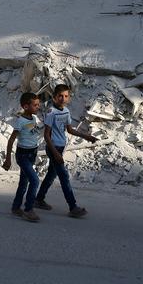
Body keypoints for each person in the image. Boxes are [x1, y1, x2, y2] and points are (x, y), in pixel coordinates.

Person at [35, 84, 96, 217]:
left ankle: (38, 199)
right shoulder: (51, 112)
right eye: (60, 96)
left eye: (66, 96)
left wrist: (87, 136)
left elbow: (70, 130)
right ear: (54, 97)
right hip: (53, 148)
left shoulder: (66, 111)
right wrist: (56, 153)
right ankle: (73, 207)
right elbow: (46, 135)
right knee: (64, 177)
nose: (63, 98)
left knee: (51, 174)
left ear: (69, 98)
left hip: (61, 147)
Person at [3, 92, 43, 223]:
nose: (38, 107)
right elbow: (11, 140)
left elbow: (33, 132)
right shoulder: (20, 121)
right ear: (26, 106)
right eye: (35, 105)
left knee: (24, 183)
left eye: (38, 104)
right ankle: (28, 210)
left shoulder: (34, 118)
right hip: (23, 155)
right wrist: (8, 159)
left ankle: (15, 207)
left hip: (32, 153)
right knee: (35, 181)